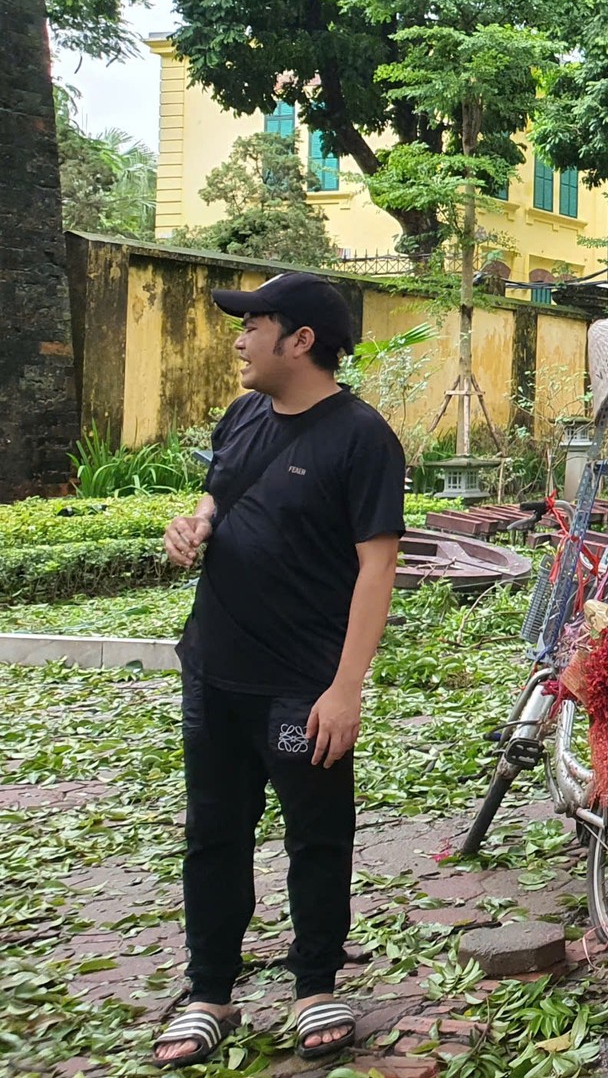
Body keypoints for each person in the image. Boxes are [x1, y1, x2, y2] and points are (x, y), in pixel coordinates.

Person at [152, 273, 406, 1068]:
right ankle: (209, 991)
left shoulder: (363, 437)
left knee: (317, 836)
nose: (239, 338)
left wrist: (345, 687)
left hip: (304, 680)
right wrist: (191, 524)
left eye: (254, 324)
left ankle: (315, 983)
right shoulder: (242, 416)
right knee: (213, 834)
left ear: (300, 340)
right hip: (216, 667)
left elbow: (377, 569)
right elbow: (214, 496)